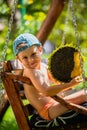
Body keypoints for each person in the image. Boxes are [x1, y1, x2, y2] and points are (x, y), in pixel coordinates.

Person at [13, 33, 87, 121]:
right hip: (48, 111)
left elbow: (58, 82)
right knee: (85, 94)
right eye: (25, 58)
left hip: (55, 103)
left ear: (40, 50)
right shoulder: (30, 72)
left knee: (83, 93)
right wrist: (70, 84)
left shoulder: (44, 67)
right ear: (19, 59)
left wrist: (74, 78)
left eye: (33, 54)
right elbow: (46, 91)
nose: (31, 60)